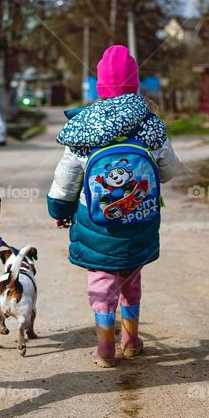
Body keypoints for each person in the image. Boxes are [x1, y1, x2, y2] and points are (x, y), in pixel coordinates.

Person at [46, 45, 179, 367]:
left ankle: (105, 348)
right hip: (140, 220)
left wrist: (59, 211)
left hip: (94, 220)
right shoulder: (149, 124)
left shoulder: (84, 128)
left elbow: (65, 180)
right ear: (135, 86)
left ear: (100, 87)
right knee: (131, 281)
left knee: (101, 282)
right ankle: (131, 341)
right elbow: (169, 171)